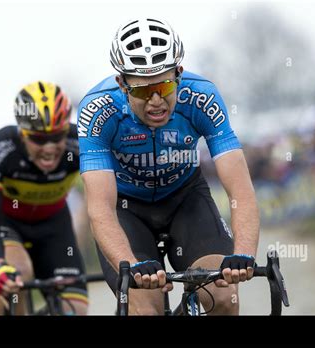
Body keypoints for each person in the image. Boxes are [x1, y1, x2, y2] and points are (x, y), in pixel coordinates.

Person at [79, 18, 259, 315]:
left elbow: (241, 189)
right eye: (140, 90)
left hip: (186, 201)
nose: (155, 101)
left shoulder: (202, 97)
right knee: (146, 310)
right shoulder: (97, 110)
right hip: (127, 209)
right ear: (122, 84)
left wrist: (243, 254)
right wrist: (132, 264)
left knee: (224, 299)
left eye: (163, 85)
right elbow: (100, 209)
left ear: (179, 73)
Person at [0, 81, 88, 315]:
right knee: (17, 274)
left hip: (54, 225)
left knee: (73, 309)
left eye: (57, 137)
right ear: (22, 133)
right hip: (6, 224)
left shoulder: (81, 142)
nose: (49, 148)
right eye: (38, 139)